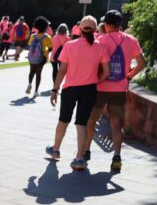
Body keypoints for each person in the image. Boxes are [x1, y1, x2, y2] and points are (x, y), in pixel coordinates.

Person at [84, 10, 146, 172]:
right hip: (120, 88)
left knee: (91, 119)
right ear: (120, 24)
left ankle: (86, 151)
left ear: (106, 24)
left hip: (100, 87)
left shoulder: (101, 40)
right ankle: (117, 156)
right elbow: (142, 63)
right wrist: (129, 76)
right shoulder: (131, 40)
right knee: (116, 124)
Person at [47, 16, 110, 171]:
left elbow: (62, 70)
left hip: (70, 89)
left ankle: (55, 150)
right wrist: (96, 80)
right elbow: (107, 72)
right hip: (89, 89)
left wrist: (55, 90)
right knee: (81, 124)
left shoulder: (70, 45)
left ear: (79, 29)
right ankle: (79, 159)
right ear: (95, 30)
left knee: (63, 120)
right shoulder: (101, 48)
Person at [25, 16, 53, 98]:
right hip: (42, 58)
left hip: (32, 57)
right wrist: (46, 50)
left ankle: (29, 84)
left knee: (31, 71)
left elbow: (30, 45)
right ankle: (36, 91)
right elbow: (50, 48)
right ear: (45, 27)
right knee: (38, 74)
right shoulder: (47, 37)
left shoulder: (33, 36)